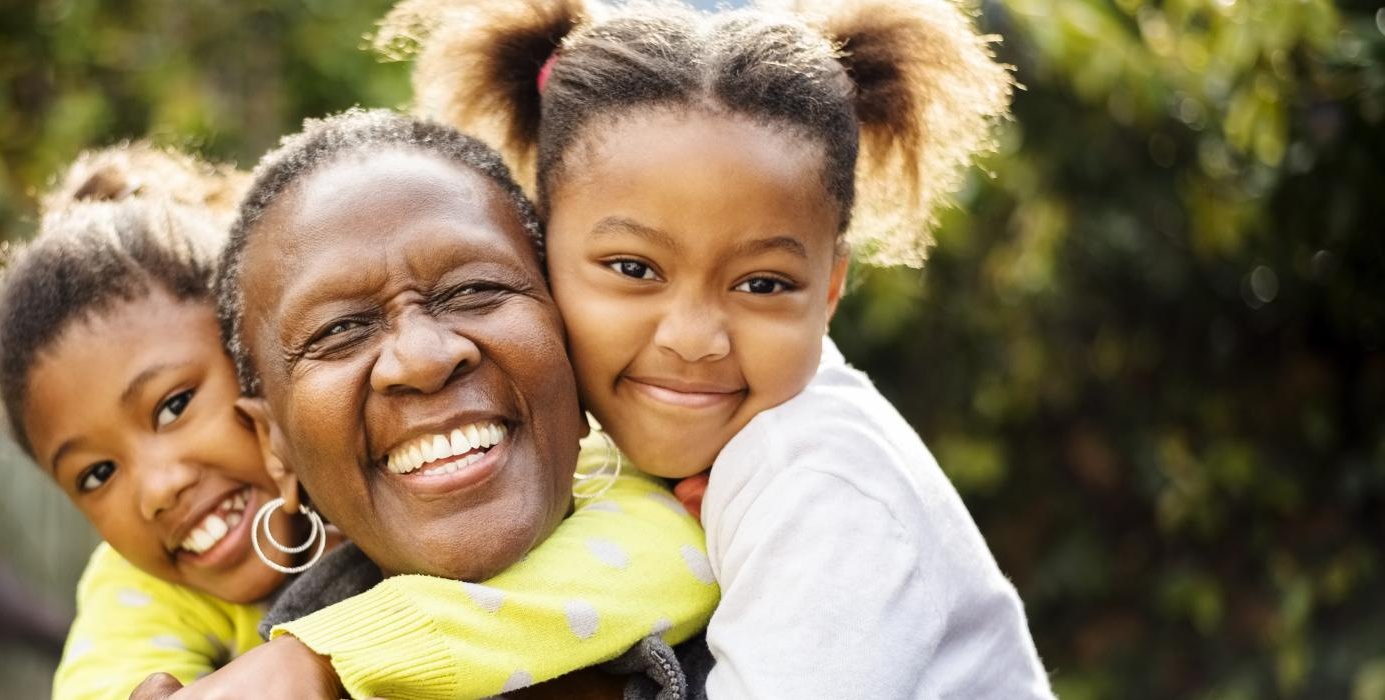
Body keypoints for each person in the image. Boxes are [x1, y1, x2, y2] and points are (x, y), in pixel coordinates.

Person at [379, 0, 1055, 696]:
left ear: (829, 290)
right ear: (540, 251)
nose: (694, 339)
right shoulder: (593, 440)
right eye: (635, 269)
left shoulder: (822, 491)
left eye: (762, 284)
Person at [0, 143, 716, 700]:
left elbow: (674, 554)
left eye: (174, 406)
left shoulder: (573, 463)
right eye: (96, 474)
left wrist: (329, 654)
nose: (158, 487)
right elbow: (106, 676)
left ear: (256, 378)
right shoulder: (144, 589)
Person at [183, 108, 717, 699]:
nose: (424, 358)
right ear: (274, 447)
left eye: (474, 290)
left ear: (573, 344)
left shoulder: (784, 579)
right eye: (339, 331)